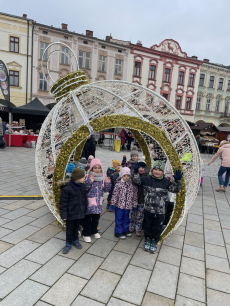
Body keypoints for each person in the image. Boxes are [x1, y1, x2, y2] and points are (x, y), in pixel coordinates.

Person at [133, 160, 182, 253]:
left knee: (157, 227)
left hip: (160, 211)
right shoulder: (147, 179)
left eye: (159, 170)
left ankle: (154, 240)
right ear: (152, 170)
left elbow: (175, 190)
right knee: (147, 226)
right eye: (155, 169)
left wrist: (178, 181)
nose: (157, 171)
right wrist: (135, 172)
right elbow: (136, 181)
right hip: (148, 209)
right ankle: (147, 239)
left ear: (163, 172)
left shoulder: (166, 182)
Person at [59, 167, 87, 254]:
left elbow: (83, 199)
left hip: (78, 212)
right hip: (70, 214)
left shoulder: (82, 187)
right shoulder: (67, 189)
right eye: (83, 177)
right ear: (77, 179)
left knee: (76, 227)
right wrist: (64, 215)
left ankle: (75, 240)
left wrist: (84, 210)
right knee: (69, 229)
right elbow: (63, 203)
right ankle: (68, 243)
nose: (84, 179)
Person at [83, 158, 111, 242]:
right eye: (95, 168)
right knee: (87, 219)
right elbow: (85, 188)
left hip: (98, 203)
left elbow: (106, 190)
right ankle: (86, 233)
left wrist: (107, 183)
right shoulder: (88, 176)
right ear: (91, 168)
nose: (97, 170)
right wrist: (90, 181)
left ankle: (94, 230)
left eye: (99, 168)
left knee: (96, 218)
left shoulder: (102, 178)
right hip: (89, 203)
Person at [111, 167, 138, 239]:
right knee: (119, 218)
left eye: (128, 176)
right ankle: (118, 232)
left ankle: (125, 230)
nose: (126, 177)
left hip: (128, 206)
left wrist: (134, 204)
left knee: (126, 218)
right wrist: (113, 203)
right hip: (119, 206)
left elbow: (134, 196)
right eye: (125, 176)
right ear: (122, 176)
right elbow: (115, 194)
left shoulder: (132, 185)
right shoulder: (118, 184)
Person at [130, 160, 149, 236]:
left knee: (140, 215)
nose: (141, 169)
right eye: (139, 167)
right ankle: (132, 225)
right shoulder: (134, 175)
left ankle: (138, 228)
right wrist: (135, 172)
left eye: (142, 167)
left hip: (142, 200)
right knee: (133, 213)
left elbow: (141, 182)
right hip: (134, 199)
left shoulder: (147, 176)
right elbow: (135, 181)